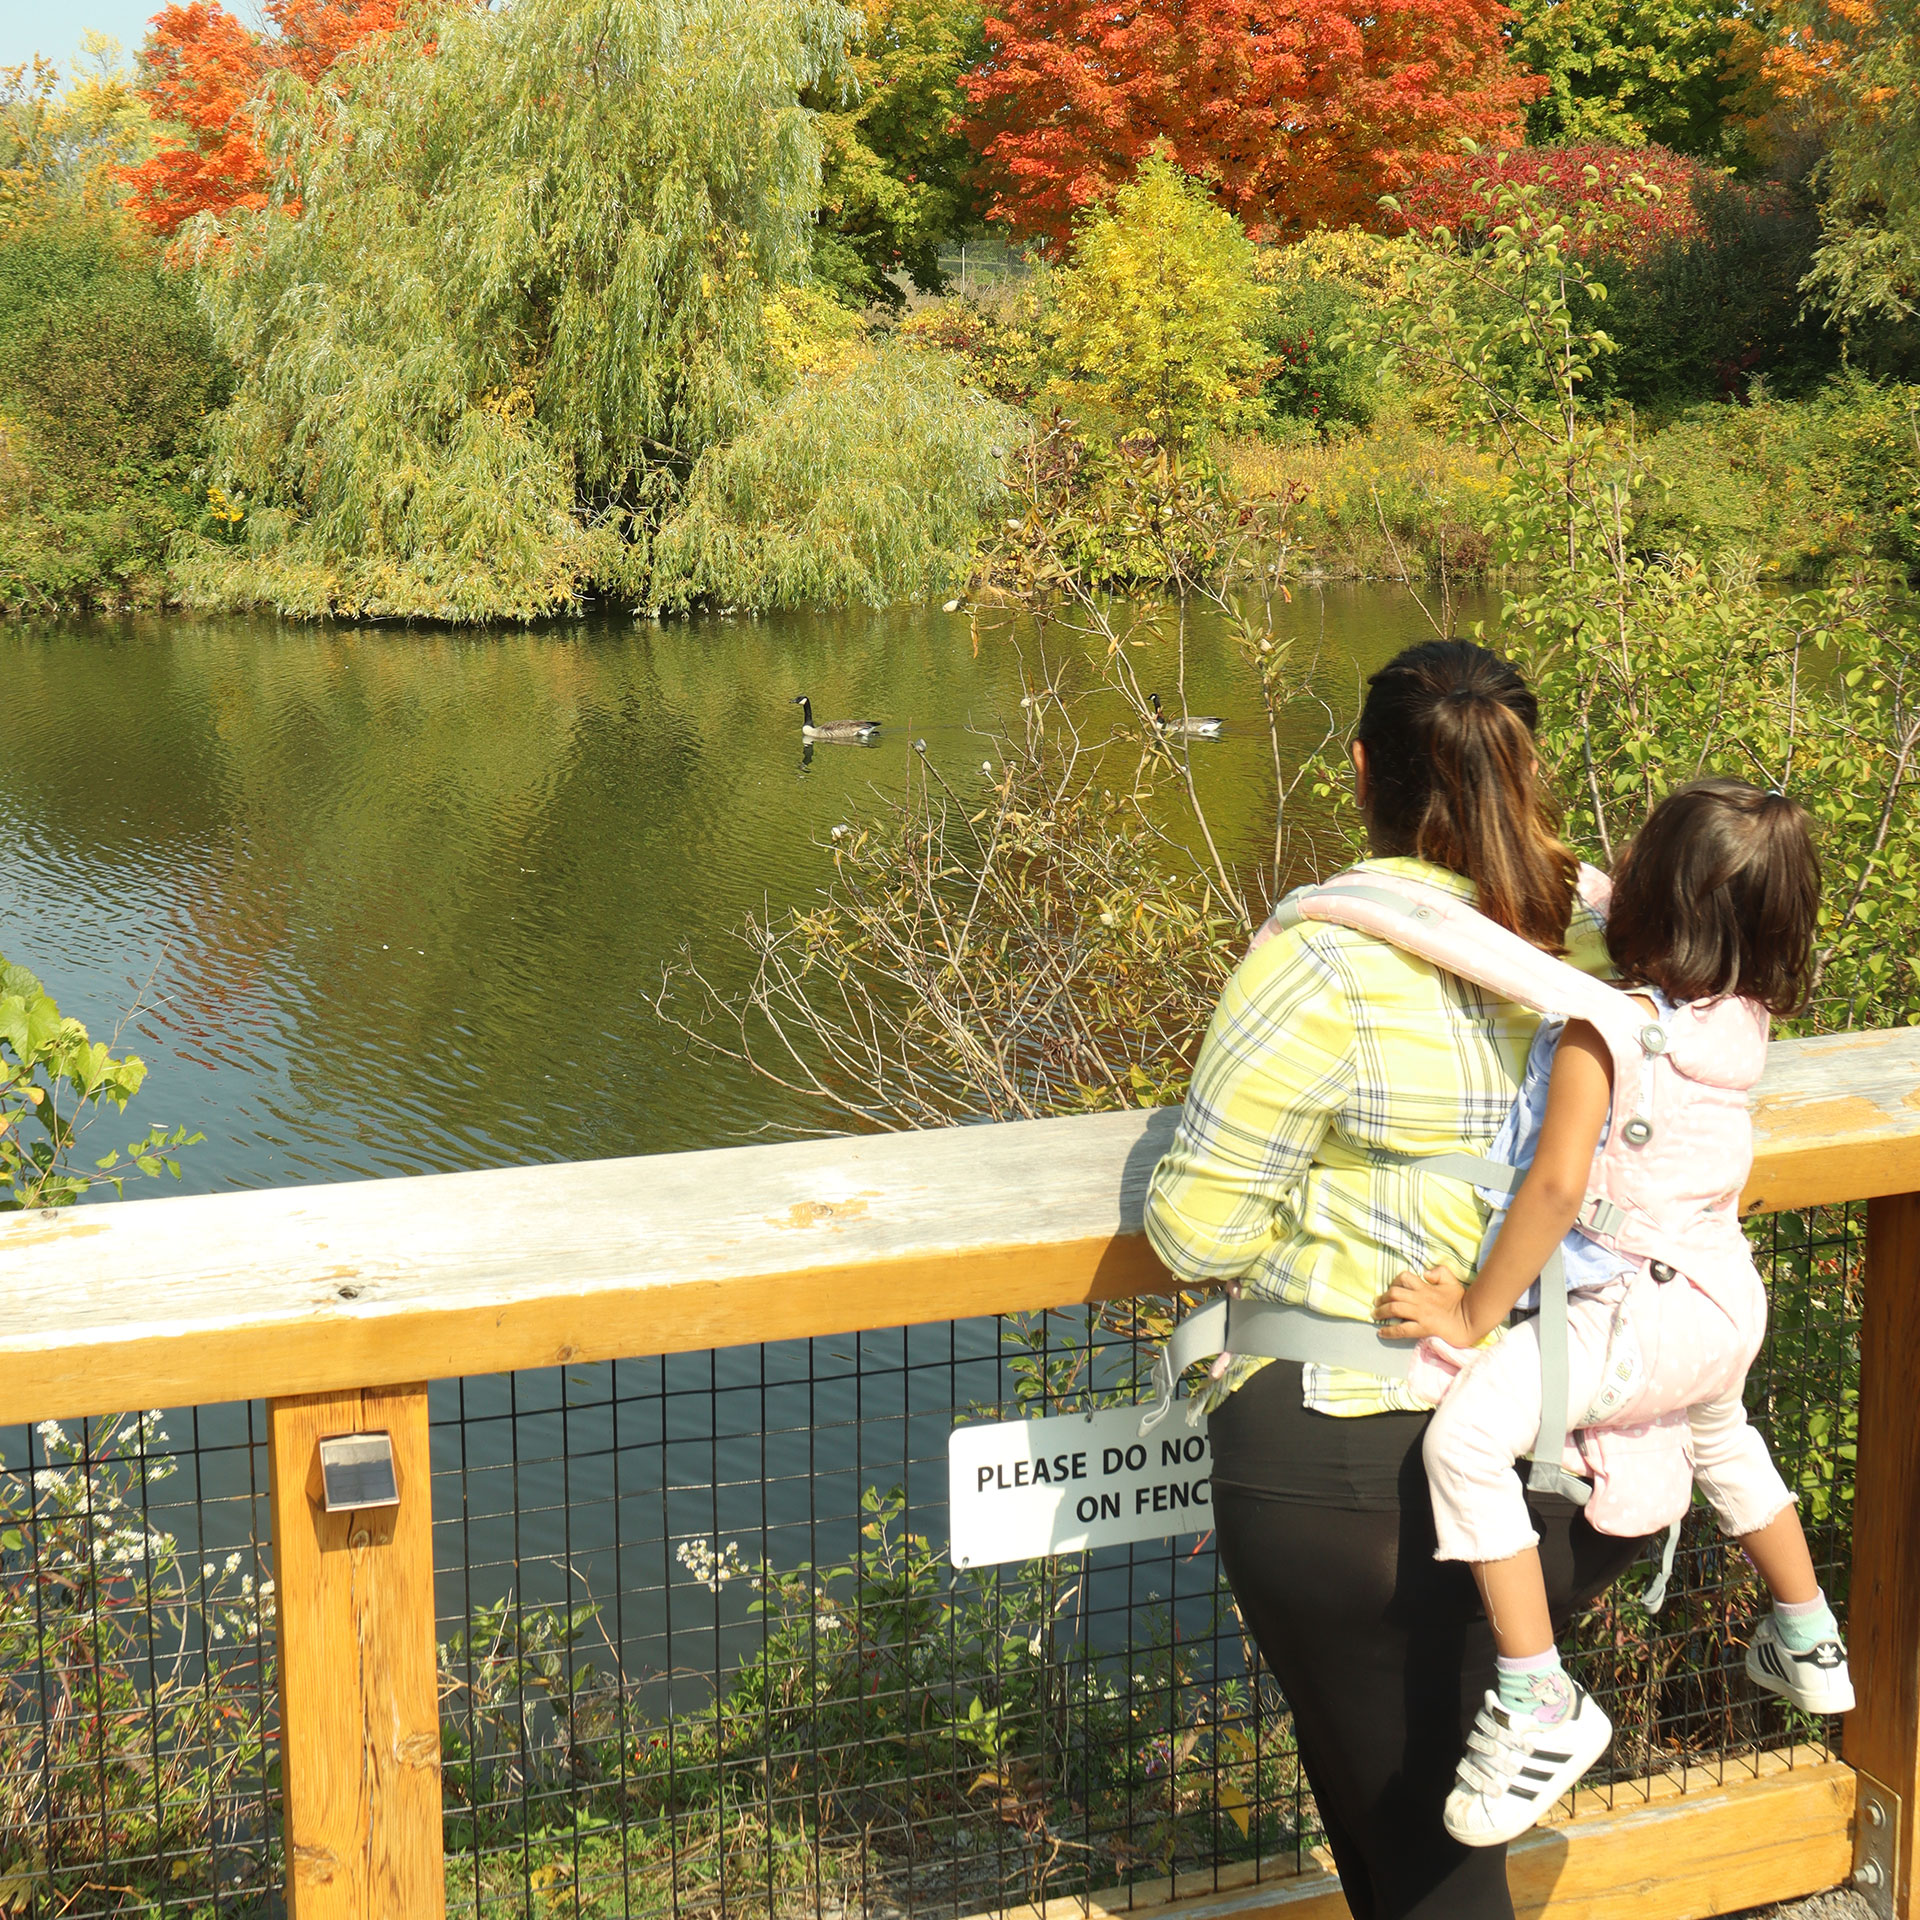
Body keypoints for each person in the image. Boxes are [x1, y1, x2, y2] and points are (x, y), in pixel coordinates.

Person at [1145, 639, 1655, 1920]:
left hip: (1346, 1462)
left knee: (1423, 1873)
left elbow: (1195, 1237)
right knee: (1408, 1845)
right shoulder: (1583, 937)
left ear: (1360, 769)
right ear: (1516, 769)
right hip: (1560, 1432)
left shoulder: (1320, 962)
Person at [1372, 778, 1852, 1850]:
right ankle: (1810, 1635)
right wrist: (1531, 843)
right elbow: (1598, 890)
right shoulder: (1738, 1019)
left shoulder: (1607, 1032)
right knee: (1724, 1439)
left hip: (1637, 1312)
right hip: (1725, 1302)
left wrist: (1473, 1308)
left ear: (1652, 896)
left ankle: (1540, 1701)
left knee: (1467, 1441)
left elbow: (1551, 1189)